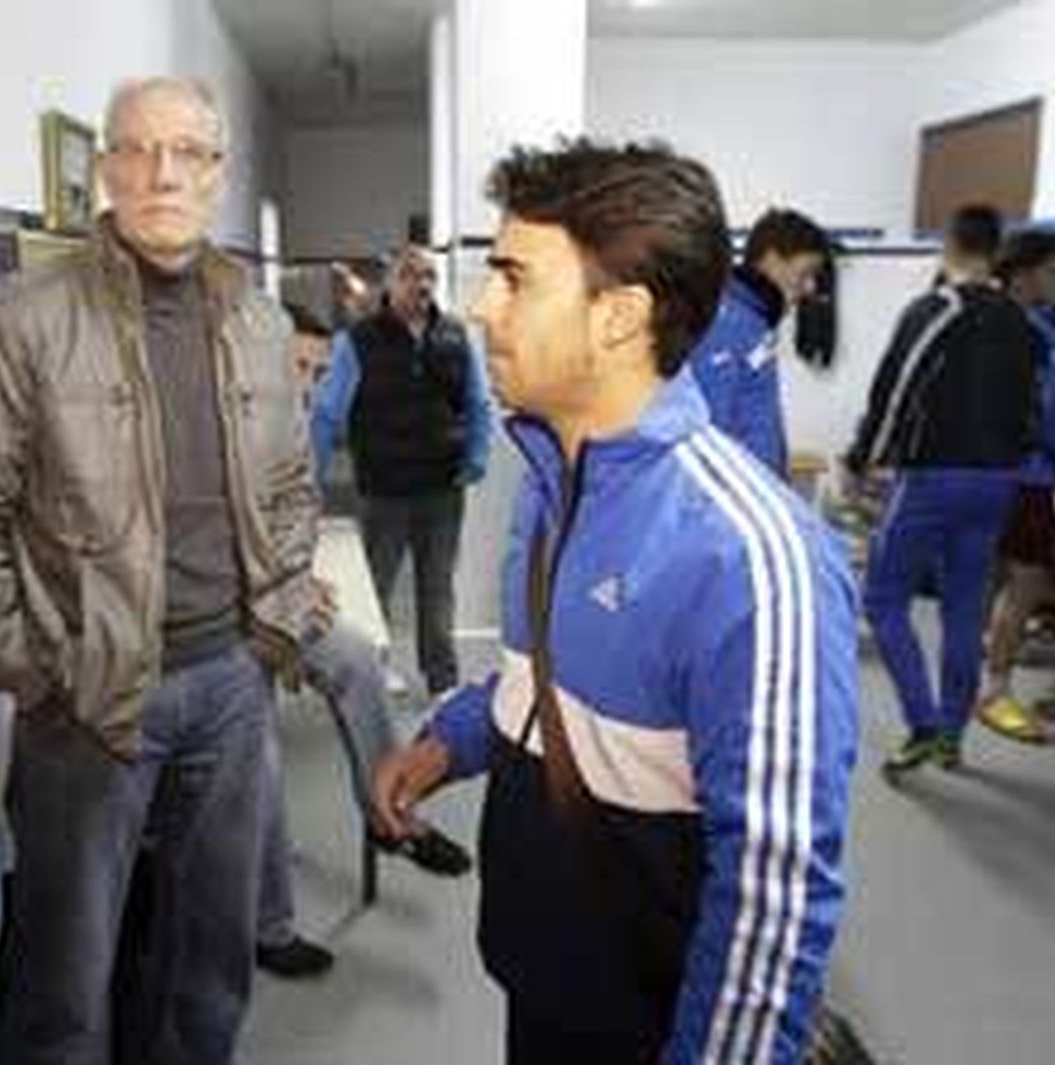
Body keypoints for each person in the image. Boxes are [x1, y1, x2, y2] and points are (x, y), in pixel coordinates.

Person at [373, 138, 859, 1064]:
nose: (482, 306)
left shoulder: (747, 557)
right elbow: (541, 680)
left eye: (515, 278)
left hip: (660, 1016)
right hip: (548, 968)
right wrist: (451, 739)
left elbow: (772, 896)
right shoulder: (553, 481)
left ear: (619, 316)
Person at [0, 77, 321, 1065]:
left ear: (217, 174)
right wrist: (26, 665)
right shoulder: (15, 315)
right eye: (135, 150)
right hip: (86, 696)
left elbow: (293, 487)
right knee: (66, 974)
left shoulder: (259, 324)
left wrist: (276, 617)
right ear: (104, 169)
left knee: (212, 955)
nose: (160, 173)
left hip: (231, 678)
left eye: (186, 152)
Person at [254, 306, 472, 980]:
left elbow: (285, 516)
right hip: (213, 622)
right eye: (298, 367)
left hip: (276, 594)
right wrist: (274, 601)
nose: (310, 384)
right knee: (253, 752)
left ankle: (389, 812)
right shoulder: (208, 417)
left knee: (353, 656)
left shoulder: (289, 422)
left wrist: (297, 578)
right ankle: (269, 923)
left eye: (320, 372)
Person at [845, 204, 1037, 778]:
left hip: (935, 477)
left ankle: (924, 725)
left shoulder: (936, 308)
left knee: (881, 598)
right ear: (995, 248)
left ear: (950, 245)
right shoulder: (1021, 321)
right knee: (963, 608)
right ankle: (952, 737)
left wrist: (862, 458)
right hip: (999, 481)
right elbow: (1034, 408)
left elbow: (895, 389)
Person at [310, 244, 494, 696]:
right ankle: (377, 667)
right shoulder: (357, 341)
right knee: (376, 587)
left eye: (429, 275)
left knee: (437, 587)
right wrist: (310, 478)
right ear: (389, 283)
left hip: (441, 485)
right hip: (383, 487)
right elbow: (327, 412)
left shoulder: (455, 336)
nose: (423, 284)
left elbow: (478, 401)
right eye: (411, 274)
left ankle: (442, 678)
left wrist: (476, 457)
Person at [976, 228, 1055, 742]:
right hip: (1028, 475)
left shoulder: (972, 316)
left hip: (979, 471)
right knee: (1025, 584)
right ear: (1025, 271)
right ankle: (994, 693)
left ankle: (979, 681)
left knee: (997, 581)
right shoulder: (1041, 336)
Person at [687, 207, 832, 476]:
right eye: (806, 271)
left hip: (753, 492)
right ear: (773, 259)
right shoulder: (726, 322)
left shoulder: (753, 321)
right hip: (729, 500)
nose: (811, 286)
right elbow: (707, 434)